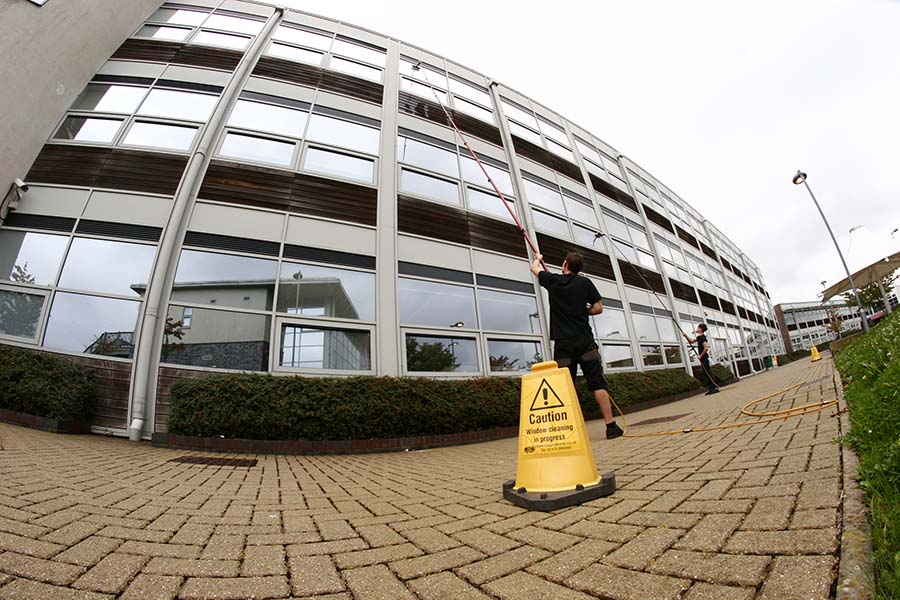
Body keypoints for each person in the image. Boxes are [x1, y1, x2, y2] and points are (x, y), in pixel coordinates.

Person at [530, 251, 624, 439]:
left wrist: (539, 258)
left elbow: (534, 268)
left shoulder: (553, 281)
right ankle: (611, 426)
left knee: (566, 387)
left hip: (563, 344)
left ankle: (572, 431)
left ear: (565, 264)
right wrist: (582, 312)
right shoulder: (585, 283)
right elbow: (598, 308)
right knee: (597, 383)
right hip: (584, 341)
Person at [683, 323, 719, 395]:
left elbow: (706, 348)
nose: (697, 328)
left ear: (701, 329)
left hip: (704, 358)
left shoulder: (703, 338)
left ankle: (713, 388)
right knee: (706, 373)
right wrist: (685, 335)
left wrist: (700, 356)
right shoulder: (699, 337)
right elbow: (691, 341)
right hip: (702, 359)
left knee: (707, 373)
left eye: (698, 327)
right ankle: (712, 387)